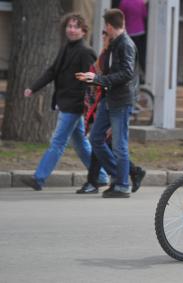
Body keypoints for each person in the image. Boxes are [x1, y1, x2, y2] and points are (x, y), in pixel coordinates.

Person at [21, 13, 109, 191]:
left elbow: (93, 80)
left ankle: (39, 178)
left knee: (58, 141)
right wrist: (33, 88)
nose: (72, 29)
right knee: (80, 144)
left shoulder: (86, 52)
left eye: (76, 27)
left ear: (84, 31)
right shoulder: (66, 48)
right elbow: (52, 71)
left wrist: (87, 105)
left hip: (75, 105)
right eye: (69, 26)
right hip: (66, 102)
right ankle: (101, 176)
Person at [76, 9, 138, 198]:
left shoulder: (125, 44)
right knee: (95, 138)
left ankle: (122, 184)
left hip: (121, 101)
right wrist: (94, 78)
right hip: (109, 99)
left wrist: (98, 79)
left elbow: (127, 73)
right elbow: (108, 70)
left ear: (110, 26)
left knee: (119, 145)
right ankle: (119, 176)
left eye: (106, 27)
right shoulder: (114, 43)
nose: (105, 30)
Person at [119, 0, 148, 76]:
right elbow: (144, 15)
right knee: (140, 54)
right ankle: (143, 74)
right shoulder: (140, 2)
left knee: (129, 56)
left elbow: (120, 17)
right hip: (140, 32)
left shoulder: (124, 2)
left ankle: (130, 75)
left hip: (129, 33)